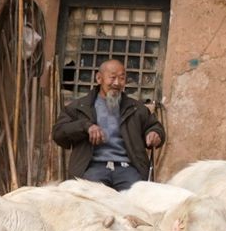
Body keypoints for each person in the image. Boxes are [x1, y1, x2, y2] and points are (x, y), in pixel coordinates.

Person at [52, 58, 166, 191]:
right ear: (99, 78)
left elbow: (155, 126)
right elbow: (58, 133)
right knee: (90, 201)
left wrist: (155, 133)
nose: (117, 83)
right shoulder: (79, 107)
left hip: (128, 168)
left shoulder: (136, 108)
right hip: (93, 167)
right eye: (112, 78)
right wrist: (85, 126)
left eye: (122, 78)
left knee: (136, 202)